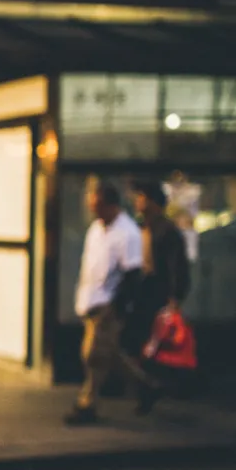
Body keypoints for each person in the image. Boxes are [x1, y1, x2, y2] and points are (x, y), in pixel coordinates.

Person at [66, 179, 155, 425]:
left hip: (108, 302)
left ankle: (88, 404)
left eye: (98, 206)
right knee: (109, 354)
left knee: (93, 355)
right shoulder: (96, 229)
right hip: (90, 299)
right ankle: (144, 386)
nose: (94, 212)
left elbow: (132, 273)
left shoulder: (127, 233)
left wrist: (118, 305)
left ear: (111, 205)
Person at [129, 179, 192, 408]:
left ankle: (154, 387)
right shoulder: (139, 226)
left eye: (142, 197)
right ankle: (147, 386)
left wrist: (175, 297)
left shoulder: (167, 230)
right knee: (140, 342)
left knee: (158, 342)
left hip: (158, 293)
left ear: (154, 203)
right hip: (141, 292)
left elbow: (177, 266)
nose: (138, 202)